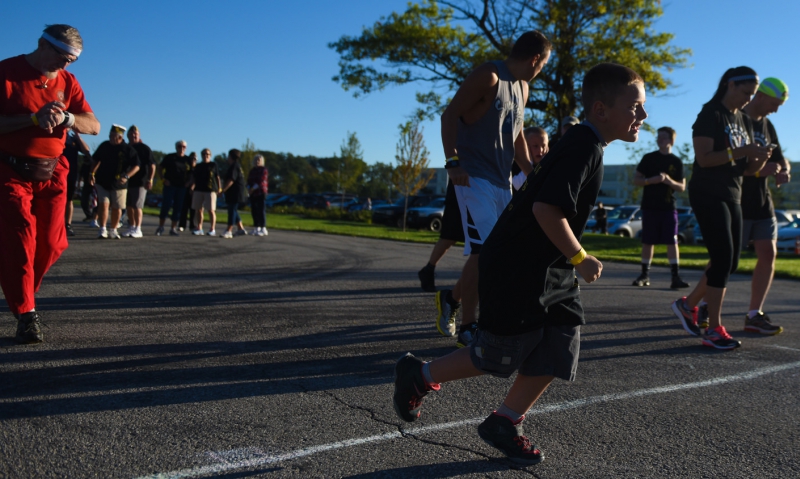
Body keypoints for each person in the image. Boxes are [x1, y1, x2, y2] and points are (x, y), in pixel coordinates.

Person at [393, 63, 647, 465]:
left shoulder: (587, 144)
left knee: (560, 344)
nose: (643, 116)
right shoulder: (583, 144)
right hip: (519, 265)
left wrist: (569, 261)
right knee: (496, 355)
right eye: (635, 107)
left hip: (550, 267)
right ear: (601, 109)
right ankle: (419, 375)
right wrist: (580, 256)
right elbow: (547, 209)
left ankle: (505, 421)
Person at [435, 31, 550, 348]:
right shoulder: (489, 75)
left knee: (496, 251)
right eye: (543, 65)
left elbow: (516, 134)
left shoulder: (523, 89)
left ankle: (451, 298)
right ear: (535, 59)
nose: (541, 71)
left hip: (502, 181)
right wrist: (452, 162)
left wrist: (530, 171)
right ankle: (471, 325)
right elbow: (449, 116)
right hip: (472, 178)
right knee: (487, 252)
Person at [0, 24, 100, 344]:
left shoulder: (68, 82)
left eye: (73, 60)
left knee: (53, 242)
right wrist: (32, 118)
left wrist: (69, 119)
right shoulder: (7, 72)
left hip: (53, 172)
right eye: (63, 56)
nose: (67, 65)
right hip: (11, 169)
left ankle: (21, 287)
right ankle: (27, 314)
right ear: (43, 44)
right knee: (21, 238)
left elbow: (93, 125)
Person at [670, 67, 772, 350]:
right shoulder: (711, 113)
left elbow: (748, 170)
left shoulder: (743, 119)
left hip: (734, 193)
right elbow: (704, 159)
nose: (748, 99)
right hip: (708, 192)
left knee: (730, 262)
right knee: (723, 257)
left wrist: (761, 159)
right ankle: (714, 328)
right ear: (730, 84)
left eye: (752, 94)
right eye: (745, 92)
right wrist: (743, 151)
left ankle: (687, 304)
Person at [737, 77, 789, 334]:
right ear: (760, 96)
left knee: (768, 254)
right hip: (738, 201)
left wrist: (783, 169)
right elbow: (729, 165)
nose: (776, 110)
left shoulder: (767, 125)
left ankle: (753, 314)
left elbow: (780, 157)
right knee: (727, 259)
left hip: (762, 203)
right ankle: (701, 304)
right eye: (774, 103)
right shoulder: (737, 120)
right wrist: (759, 172)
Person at [631, 127, 689, 289]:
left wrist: (668, 181)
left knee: (672, 241)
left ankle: (675, 277)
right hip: (650, 207)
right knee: (648, 242)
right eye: (659, 137)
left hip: (668, 207)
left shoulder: (676, 162)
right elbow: (636, 179)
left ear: (671, 140)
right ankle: (644, 275)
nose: (660, 140)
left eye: (664, 137)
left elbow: (682, 187)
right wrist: (651, 180)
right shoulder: (649, 158)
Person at [89, 124, 140, 239]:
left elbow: (136, 166)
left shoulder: (127, 149)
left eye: (114, 136)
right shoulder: (104, 146)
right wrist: (91, 173)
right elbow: (96, 160)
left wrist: (127, 176)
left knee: (117, 207)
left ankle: (113, 229)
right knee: (103, 204)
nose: (111, 138)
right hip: (102, 181)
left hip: (119, 184)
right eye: (110, 135)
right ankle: (102, 229)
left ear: (120, 138)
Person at [417, 181, 465, 295]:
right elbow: (451, 163)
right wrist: (454, 168)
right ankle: (428, 270)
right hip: (460, 190)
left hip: (484, 188)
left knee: (482, 240)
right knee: (449, 236)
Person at [156, 140, 191, 236]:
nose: (182, 148)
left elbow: (192, 173)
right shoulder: (170, 157)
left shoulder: (188, 160)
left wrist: (189, 183)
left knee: (178, 208)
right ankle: (160, 227)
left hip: (181, 187)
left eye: (184, 147)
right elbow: (160, 168)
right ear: (176, 147)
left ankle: (173, 228)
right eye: (180, 146)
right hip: (170, 185)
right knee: (166, 206)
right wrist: (163, 179)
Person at [124, 125, 154, 238]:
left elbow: (152, 165)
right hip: (127, 181)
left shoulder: (144, 148)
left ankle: (138, 228)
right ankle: (131, 226)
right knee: (129, 206)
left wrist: (150, 179)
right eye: (131, 133)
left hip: (141, 181)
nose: (133, 135)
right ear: (128, 135)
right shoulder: (126, 147)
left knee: (137, 205)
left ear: (139, 135)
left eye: (135, 133)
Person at [62, 129, 91, 236]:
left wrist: (79, 138)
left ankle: (67, 225)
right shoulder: (54, 136)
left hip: (70, 174)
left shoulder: (73, 140)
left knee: (69, 200)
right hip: (55, 173)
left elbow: (87, 151)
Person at [190, 148, 221, 236]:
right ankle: (199, 227)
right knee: (198, 209)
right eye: (204, 154)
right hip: (199, 189)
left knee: (211, 210)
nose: (205, 156)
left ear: (210, 155)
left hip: (210, 190)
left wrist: (219, 188)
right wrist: (192, 187)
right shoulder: (198, 166)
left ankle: (212, 229)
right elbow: (194, 178)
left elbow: (217, 177)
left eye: (207, 154)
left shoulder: (213, 165)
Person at [220, 148, 248, 239]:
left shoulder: (234, 166)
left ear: (231, 156)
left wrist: (223, 189)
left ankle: (229, 230)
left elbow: (231, 180)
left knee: (231, 210)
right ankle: (240, 228)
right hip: (236, 192)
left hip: (235, 192)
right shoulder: (237, 166)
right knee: (233, 210)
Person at [247, 154, 269, 236]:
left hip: (260, 192)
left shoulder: (264, 170)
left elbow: (261, 181)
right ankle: (256, 227)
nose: (257, 162)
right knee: (254, 211)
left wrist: (252, 189)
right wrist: (248, 188)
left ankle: (263, 228)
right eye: (256, 160)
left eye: (259, 160)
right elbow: (249, 180)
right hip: (253, 193)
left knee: (261, 210)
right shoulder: (252, 170)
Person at [178, 151, 197, 232]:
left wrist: (193, 185)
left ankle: (192, 225)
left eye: (195, 159)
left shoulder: (197, 168)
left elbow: (198, 179)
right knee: (184, 208)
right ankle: (182, 225)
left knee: (193, 209)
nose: (193, 160)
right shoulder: (187, 168)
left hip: (194, 191)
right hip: (185, 189)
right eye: (191, 158)